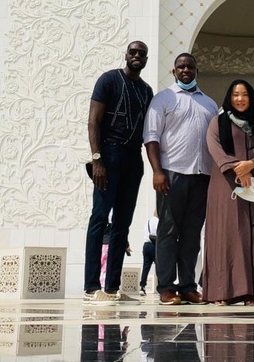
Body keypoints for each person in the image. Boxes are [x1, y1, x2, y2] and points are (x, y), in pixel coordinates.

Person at [144, 52, 217, 305]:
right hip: (171, 175)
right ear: (174, 71)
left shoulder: (209, 104)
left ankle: (187, 286)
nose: (185, 70)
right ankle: (166, 287)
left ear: (197, 71)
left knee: (192, 234)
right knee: (168, 231)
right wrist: (157, 171)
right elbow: (151, 137)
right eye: (180, 67)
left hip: (201, 176)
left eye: (190, 67)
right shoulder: (163, 99)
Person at [84, 40, 153, 303]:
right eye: (133, 52)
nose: (137, 56)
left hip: (133, 159)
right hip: (109, 155)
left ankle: (112, 287)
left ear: (146, 59)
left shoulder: (146, 90)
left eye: (141, 54)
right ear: (126, 55)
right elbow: (93, 121)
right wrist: (97, 159)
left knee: (122, 223)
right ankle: (91, 287)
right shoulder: (109, 80)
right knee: (100, 217)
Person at [204, 79, 254, 305]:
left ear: (251, 98)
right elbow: (214, 147)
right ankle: (221, 291)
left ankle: (249, 291)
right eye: (236, 94)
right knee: (226, 236)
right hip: (226, 186)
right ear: (229, 97)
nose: (240, 99)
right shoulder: (218, 122)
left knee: (252, 236)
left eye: (244, 94)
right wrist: (238, 168)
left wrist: (252, 164)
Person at [140, 210, 158, 296]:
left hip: (146, 245)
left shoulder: (147, 221)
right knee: (159, 266)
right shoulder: (158, 221)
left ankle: (142, 287)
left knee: (146, 267)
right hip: (154, 246)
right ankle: (162, 287)